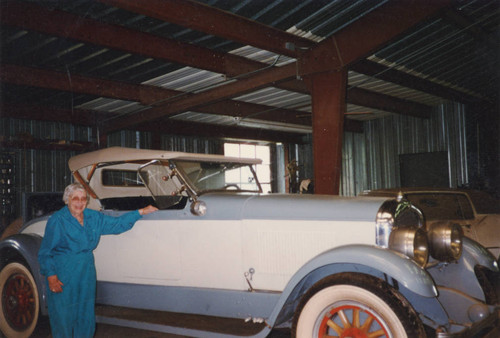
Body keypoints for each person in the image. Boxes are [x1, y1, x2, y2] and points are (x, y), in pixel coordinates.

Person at [38, 183, 158, 338]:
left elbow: (116, 225)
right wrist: (51, 276)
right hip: (64, 273)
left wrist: (140, 212)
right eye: (75, 199)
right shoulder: (58, 220)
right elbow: (45, 252)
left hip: (86, 271)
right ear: (67, 200)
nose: (80, 203)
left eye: (83, 199)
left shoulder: (92, 217)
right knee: (63, 316)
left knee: (85, 314)